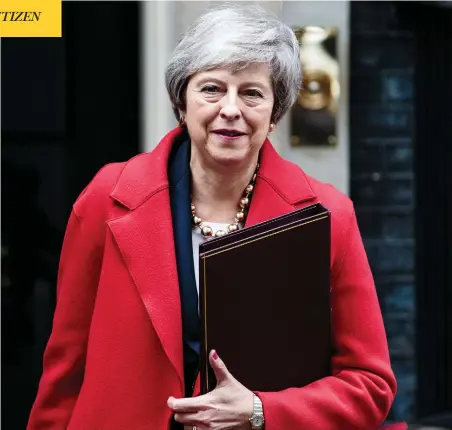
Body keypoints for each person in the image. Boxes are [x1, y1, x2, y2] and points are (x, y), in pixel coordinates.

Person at [27, 5, 396, 430]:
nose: (231, 109)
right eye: (212, 89)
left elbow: (371, 385)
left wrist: (261, 411)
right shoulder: (104, 199)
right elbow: (65, 369)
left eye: (252, 93)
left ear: (275, 115)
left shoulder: (328, 215)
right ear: (181, 102)